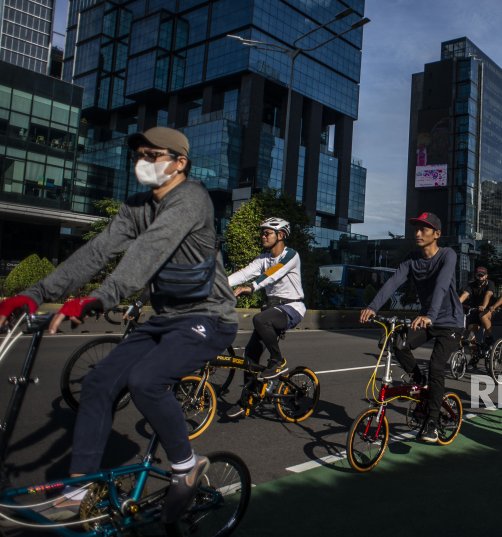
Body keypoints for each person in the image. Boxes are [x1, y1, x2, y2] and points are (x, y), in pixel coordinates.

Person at [0, 127, 239, 522]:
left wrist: (100, 297)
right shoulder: (136, 206)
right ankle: (81, 488)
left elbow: (149, 250)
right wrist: (36, 293)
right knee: (97, 382)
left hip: (208, 318)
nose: (142, 162)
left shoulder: (191, 199)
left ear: (180, 163)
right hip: (165, 319)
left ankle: (186, 464)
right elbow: (97, 250)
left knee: (147, 379)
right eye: (139, 154)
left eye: (153, 155)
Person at [359, 212, 463, 443]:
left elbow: (442, 286)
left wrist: (430, 315)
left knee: (436, 366)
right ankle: (420, 381)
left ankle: (433, 423)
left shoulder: (448, 255)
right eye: (416, 228)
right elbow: (393, 282)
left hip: (450, 322)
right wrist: (373, 306)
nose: (417, 233)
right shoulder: (411, 259)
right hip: (427, 318)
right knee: (397, 341)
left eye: (423, 229)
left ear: (436, 234)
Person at [225, 217, 305, 417]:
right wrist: (218, 284)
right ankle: (248, 398)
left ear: (280, 235)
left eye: (267, 233)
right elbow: (244, 273)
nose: (263, 236)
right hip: (272, 310)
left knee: (260, 320)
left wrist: (251, 287)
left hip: (291, 308)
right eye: (262, 233)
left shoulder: (291, 255)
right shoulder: (263, 258)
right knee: (250, 354)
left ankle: (277, 360)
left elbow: (273, 273)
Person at [458, 266, 495, 349]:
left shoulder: (490, 284)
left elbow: (488, 295)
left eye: (482, 275)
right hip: (475, 310)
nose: (480, 277)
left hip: (488, 310)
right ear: (475, 275)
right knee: (470, 333)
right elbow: (464, 295)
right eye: (478, 275)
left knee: (483, 316)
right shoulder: (471, 285)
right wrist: (455, 305)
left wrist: (484, 306)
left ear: (486, 276)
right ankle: (473, 356)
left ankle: (490, 337)